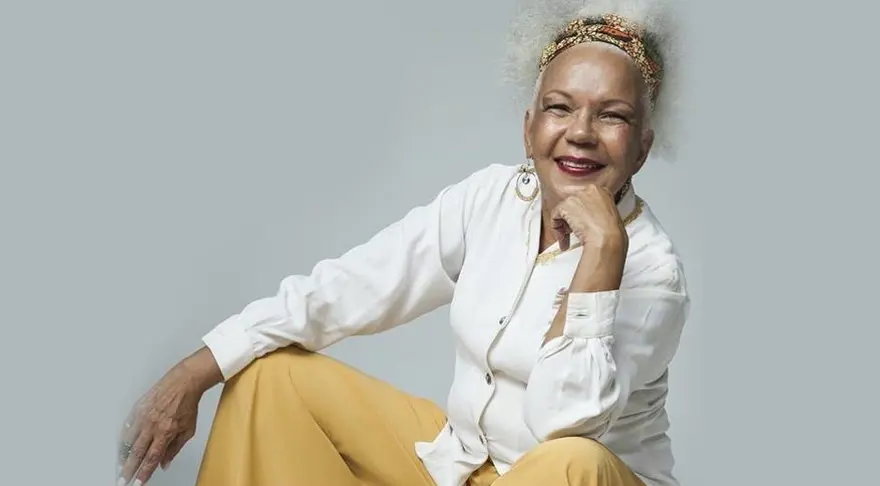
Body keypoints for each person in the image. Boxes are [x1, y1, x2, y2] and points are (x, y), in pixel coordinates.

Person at [116, 0, 690, 485]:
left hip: (574, 479)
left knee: (573, 460)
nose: (580, 133)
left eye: (611, 116)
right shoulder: (490, 198)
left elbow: (560, 424)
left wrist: (602, 255)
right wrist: (197, 370)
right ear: (528, 127)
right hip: (467, 463)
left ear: (641, 148)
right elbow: (354, 286)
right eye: (559, 107)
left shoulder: (653, 271)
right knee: (271, 378)